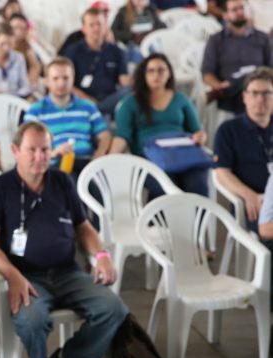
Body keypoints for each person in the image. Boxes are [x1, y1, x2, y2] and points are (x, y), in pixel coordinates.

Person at [0, 121, 129, 358]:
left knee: (113, 308)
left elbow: (84, 228)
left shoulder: (61, 181)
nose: (40, 156)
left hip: (67, 273)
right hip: (26, 277)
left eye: (45, 150)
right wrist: (12, 275)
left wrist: (102, 256)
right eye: (32, 150)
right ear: (15, 150)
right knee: (32, 320)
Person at [110, 53, 208, 197]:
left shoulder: (181, 99)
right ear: (143, 75)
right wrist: (109, 160)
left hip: (182, 153)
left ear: (169, 73)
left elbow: (197, 131)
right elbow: (122, 136)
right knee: (165, 187)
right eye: (151, 71)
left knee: (198, 185)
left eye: (161, 70)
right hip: (149, 157)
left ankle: (196, 213)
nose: (156, 75)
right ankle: (158, 213)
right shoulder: (130, 103)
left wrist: (200, 137)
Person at [24, 56, 110, 176]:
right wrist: (53, 153)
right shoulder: (35, 110)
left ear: (73, 79)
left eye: (65, 78)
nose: (61, 83)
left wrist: (98, 156)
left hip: (86, 163)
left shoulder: (88, 106)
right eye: (55, 78)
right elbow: (27, 146)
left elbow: (104, 136)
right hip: (53, 165)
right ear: (47, 81)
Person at [214, 67, 273, 233]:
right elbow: (222, 172)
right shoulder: (228, 130)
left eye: (267, 93)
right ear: (245, 97)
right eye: (254, 93)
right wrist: (248, 195)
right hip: (253, 202)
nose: (260, 99)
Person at [202, 0, 273, 114]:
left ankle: (231, 90)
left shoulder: (263, 38)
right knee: (246, 92)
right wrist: (218, 85)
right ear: (225, 15)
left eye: (242, 8)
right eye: (235, 10)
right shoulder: (216, 40)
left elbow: (271, 68)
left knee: (250, 81)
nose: (240, 12)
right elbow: (207, 73)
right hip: (231, 95)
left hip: (260, 88)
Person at [61, 7, 130, 118]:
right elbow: (67, 84)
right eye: (92, 25)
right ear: (84, 29)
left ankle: (98, 110)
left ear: (105, 26)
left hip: (110, 98)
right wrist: (88, 100)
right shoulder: (72, 51)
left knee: (131, 90)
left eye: (99, 24)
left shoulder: (117, 51)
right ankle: (99, 110)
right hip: (83, 100)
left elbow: (124, 81)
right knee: (104, 117)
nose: (96, 29)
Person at [111, 0, 165, 65]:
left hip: (149, 40)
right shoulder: (123, 11)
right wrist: (133, 36)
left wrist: (151, 32)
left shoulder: (151, 9)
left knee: (155, 50)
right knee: (136, 52)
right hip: (132, 43)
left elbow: (162, 26)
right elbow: (114, 31)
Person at [8, 13, 41, 92]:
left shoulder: (27, 48)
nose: (18, 32)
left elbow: (35, 67)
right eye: (15, 27)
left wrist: (28, 83)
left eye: (22, 29)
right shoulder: (1, 44)